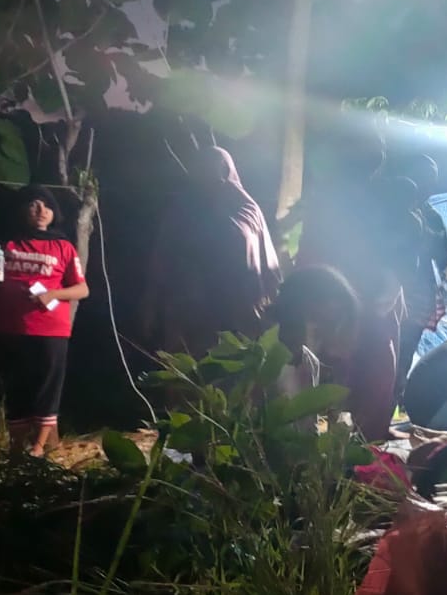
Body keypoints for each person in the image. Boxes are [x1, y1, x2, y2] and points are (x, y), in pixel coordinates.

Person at [299, 174, 420, 440]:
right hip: (353, 319)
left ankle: (359, 445)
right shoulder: (366, 230)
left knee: (368, 385)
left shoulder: (402, 229)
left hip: (371, 319)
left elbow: (392, 288)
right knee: (347, 385)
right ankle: (344, 445)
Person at [0, 186, 91, 456]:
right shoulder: (7, 245)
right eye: (34, 205)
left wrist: (54, 293)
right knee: (16, 389)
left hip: (51, 330)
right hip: (10, 329)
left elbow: (82, 289)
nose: (41, 211)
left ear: (55, 213)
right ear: (22, 210)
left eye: (47, 206)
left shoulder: (63, 246)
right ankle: (16, 449)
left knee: (47, 391)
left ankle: (38, 449)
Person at [144, 144, 281, 356]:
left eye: (214, 168)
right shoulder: (181, 210)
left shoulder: (247, 208)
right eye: (202, 168)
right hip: (189, 311)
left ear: (226, 171)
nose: (207, 174)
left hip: (236, 312)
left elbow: (254, 253)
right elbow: (162, 258)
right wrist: (151, 303)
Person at [386, 154, 447, 410]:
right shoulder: (387, 209)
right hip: (382, 293)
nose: (428, 186)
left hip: (416, 299)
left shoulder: (432, 217)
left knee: (401, 358)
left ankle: (386, 412)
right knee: (377, 353)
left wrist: (441, 293)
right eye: (423, 178)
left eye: (432, 180)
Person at [265, 265, 360, 431]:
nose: (330, 338)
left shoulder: (315, 366)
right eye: (319, 326)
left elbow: (320, 427)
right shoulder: (265, 371)